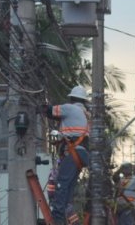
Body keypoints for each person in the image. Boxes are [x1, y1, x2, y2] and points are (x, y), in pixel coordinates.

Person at [44, 85, 91, 225]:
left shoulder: (70, 109)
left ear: (71, 99)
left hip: (72, 153)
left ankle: (58, 218)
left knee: (61, 185)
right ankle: (68, 216)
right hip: (81, 155)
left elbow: (49, 111)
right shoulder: (84, 114)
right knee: (68, 188)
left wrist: (42, 106)